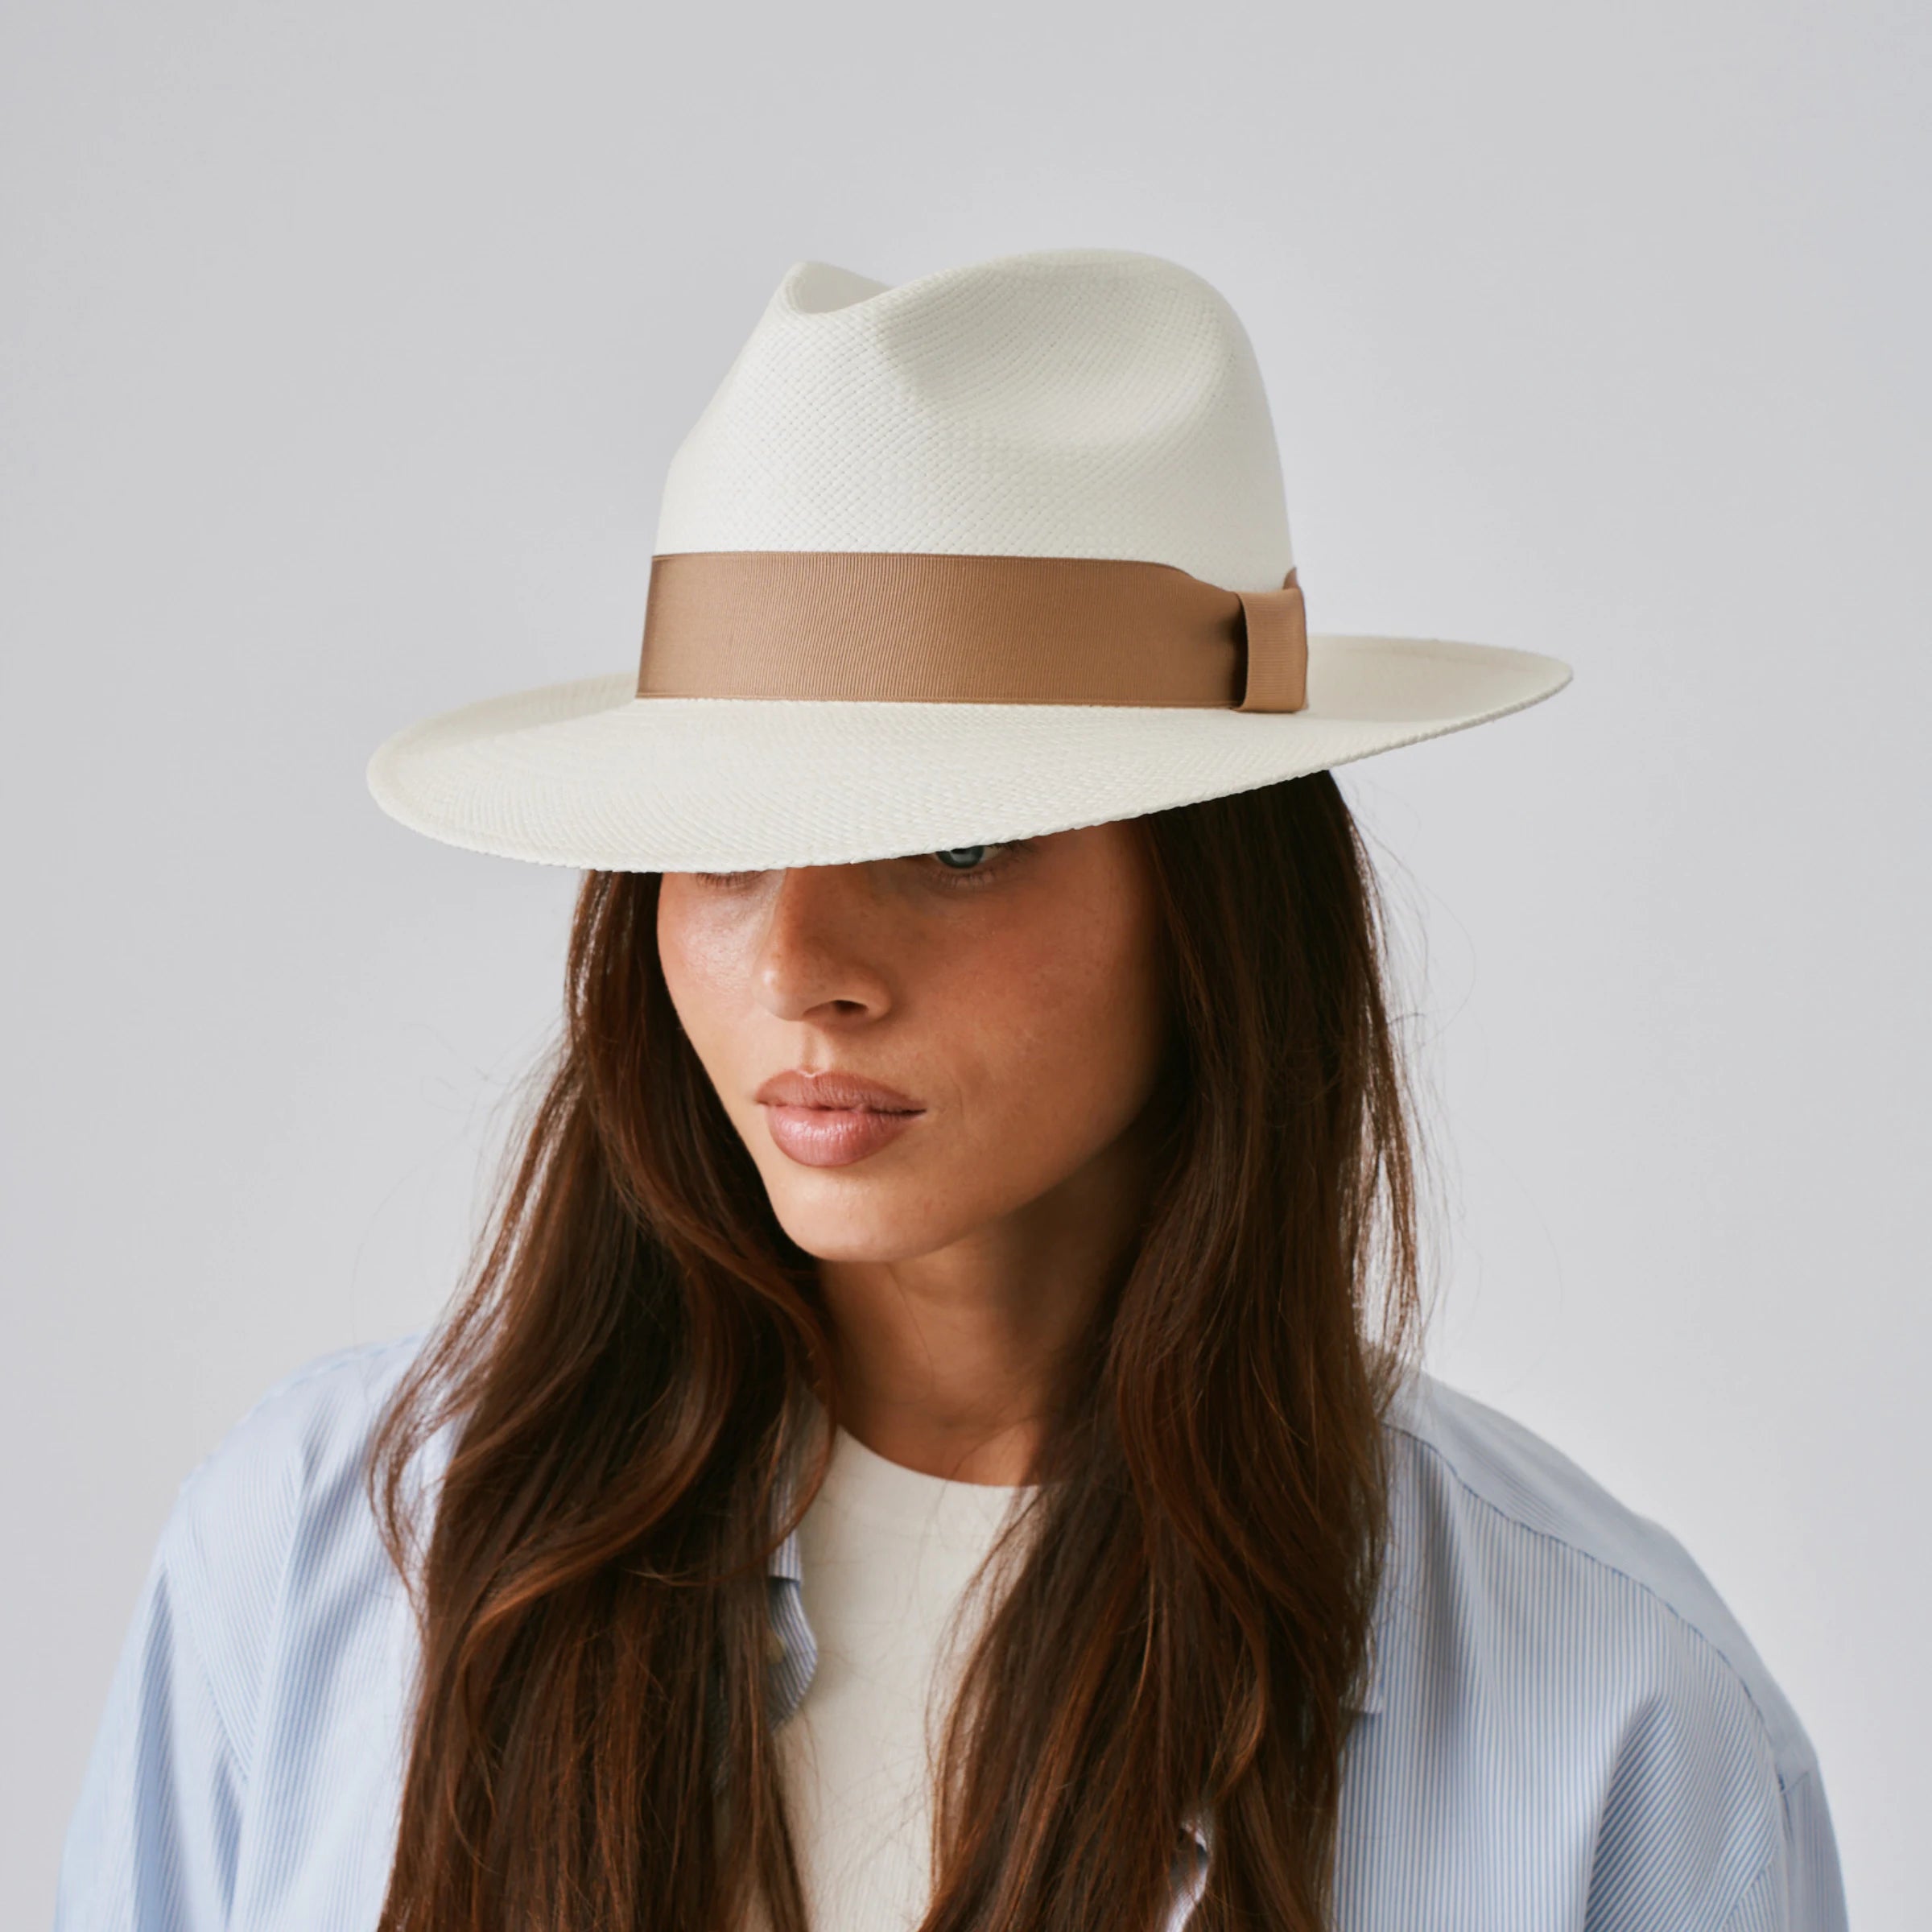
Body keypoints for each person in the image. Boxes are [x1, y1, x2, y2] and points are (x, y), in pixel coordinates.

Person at [53, 246, 1847, 1932]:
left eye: (959, 843)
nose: (797, 966)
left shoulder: (1617, 1717)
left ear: (1213, 899)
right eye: (718, 843)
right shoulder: (319, 1563)